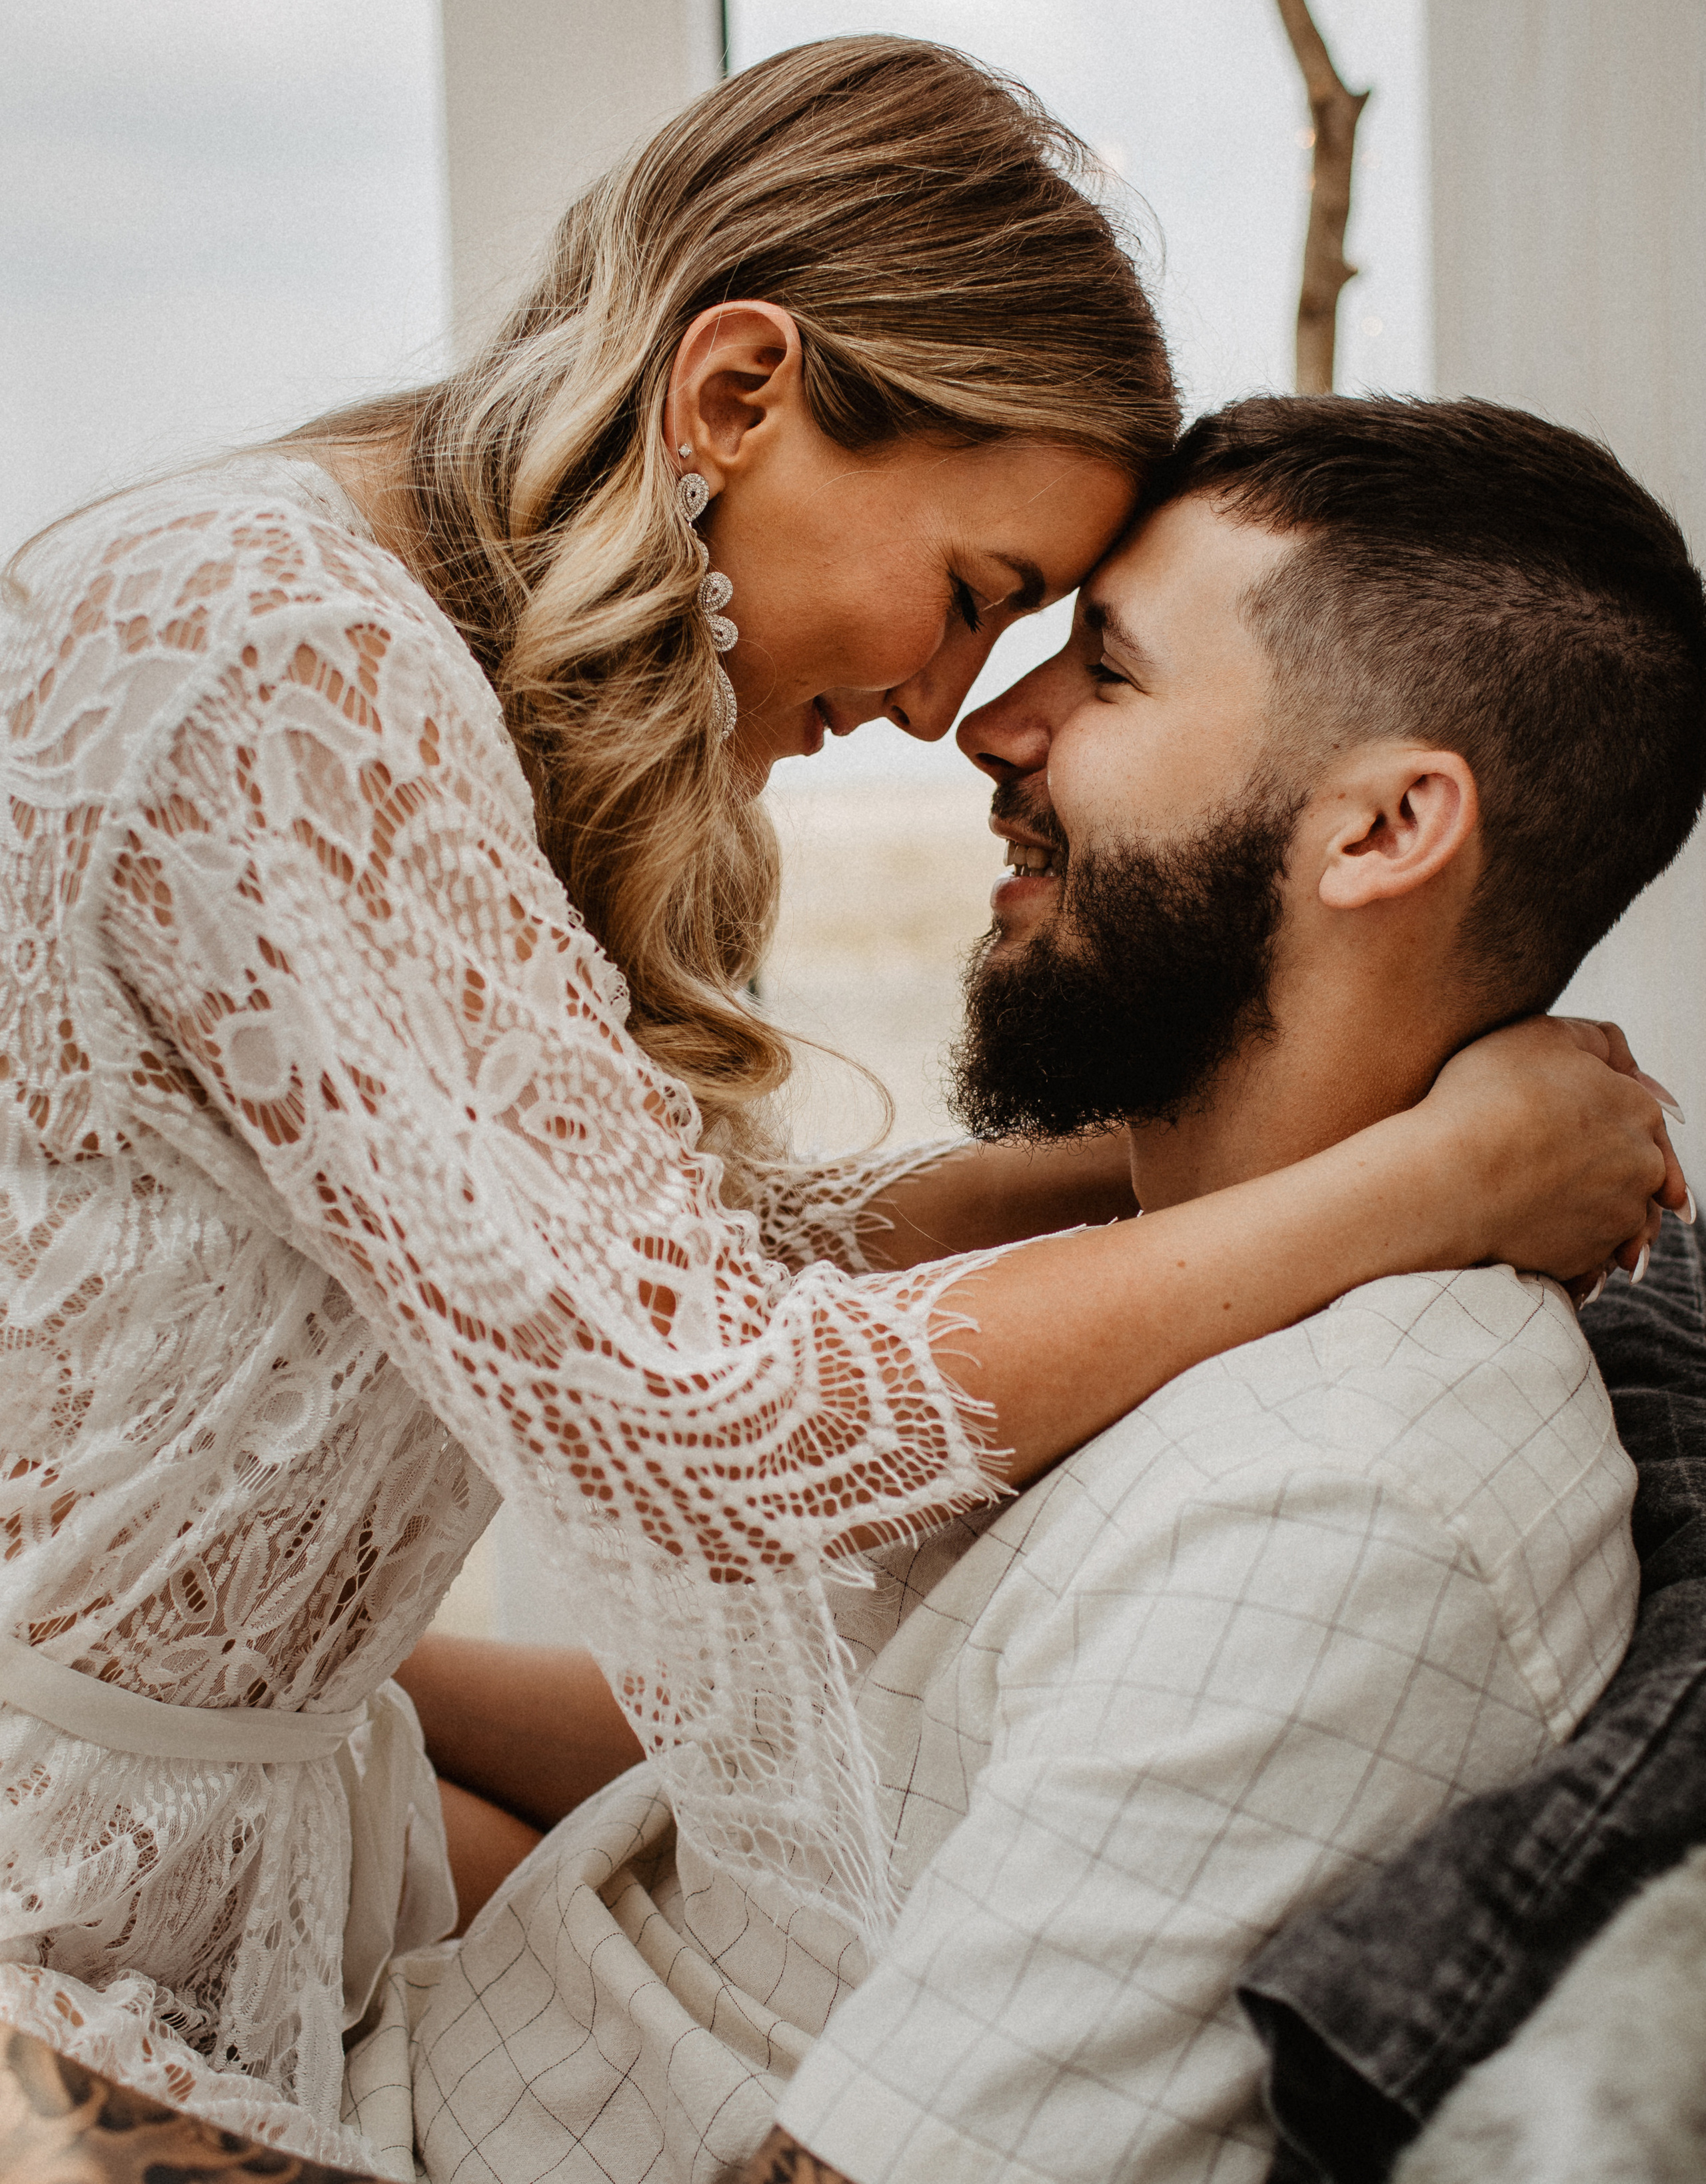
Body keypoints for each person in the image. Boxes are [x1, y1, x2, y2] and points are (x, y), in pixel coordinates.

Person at [0, 43, 1677, 2179]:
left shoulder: (416, 652)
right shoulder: (277, 656)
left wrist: (1239, 1156)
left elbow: (653, 1271)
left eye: (1069, 645)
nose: (952, 707)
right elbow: (720, 1411)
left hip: (239, 1886)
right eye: (977, 591)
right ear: (734, 399)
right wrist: (1424, 1178)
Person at [333, 393, 1703, 2184]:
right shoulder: (1184, 1285)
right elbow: (824, 1781)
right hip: (425, 2058)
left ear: (1382, 831)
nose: (988, 720)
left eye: (1110, 675)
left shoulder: (1348, 1509)